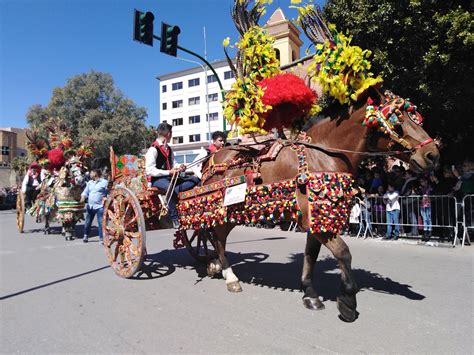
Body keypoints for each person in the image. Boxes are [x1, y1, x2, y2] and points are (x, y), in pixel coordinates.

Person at [145, 123, 200, 229]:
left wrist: (180, 167)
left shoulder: (169, 149)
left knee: (195, 179)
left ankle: (181, 200)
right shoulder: (153, 149)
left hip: (170, 177)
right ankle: (175, 218)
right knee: (170, 186)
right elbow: (150, 170)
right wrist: (168, 172)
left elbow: (174, 164)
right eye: (172, 133)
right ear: (169, 134)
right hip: (157, 179)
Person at [80, 169, 108, 243]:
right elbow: (85, 192)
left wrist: (106, 198)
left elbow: (109, 191)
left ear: (95, 174)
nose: (90, 174)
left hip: (100, 206)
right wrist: (83, 197)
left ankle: (101, 238)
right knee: (88, 222)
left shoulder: (104, 182)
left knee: (101, 223)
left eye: (91, 173)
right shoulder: (89, 183)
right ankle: (86, 235)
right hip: (90, 206)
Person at [418, 177, 433, 241]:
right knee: (424, 218)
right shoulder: (420, 188)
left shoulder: (429, 187)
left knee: (428, 218)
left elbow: (430, 193)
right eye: (421, 182)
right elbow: (420, 195)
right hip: (422, 205)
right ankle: (425, 232)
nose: (422, 183)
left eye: (423, 181)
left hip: (428, 204)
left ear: (426, 181)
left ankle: (429, 231)